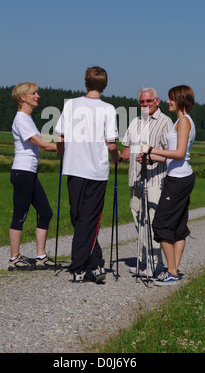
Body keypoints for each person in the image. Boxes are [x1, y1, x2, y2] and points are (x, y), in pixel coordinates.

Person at [55, 66, 119, 283]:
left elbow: (60, 137)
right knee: (83, 219)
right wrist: (116, 157)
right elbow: (111, 144)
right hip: (91, 170)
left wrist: (61, 153)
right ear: (105, 84)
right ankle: (96, 262)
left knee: (82, 217)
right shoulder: (105, 109)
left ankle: (78, 267)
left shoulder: (72, 105)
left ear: (85, 82)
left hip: (80, 169)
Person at [141, 85, 196, 286]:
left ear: (180, 100)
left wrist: (152, 149)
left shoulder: (183, 122)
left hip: (178, 180)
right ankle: (173, 272)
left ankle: (171, 272)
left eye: (171, 98)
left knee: (161, 224)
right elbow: (176, 156)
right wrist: (151, 157)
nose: (168, 101)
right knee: (179, 226)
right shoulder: (181, 121)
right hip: (181, 176)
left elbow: (180, 153)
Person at [120, 87, 173, 276]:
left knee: (152, 221)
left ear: (157, 101)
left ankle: (154, 264)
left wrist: (151, 158)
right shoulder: (135, 122)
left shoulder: (165, 123)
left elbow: (172, 155)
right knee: (139, 220)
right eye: (142, 102)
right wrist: (115, 155)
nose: (145, 105)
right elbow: (126, 150)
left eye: (148, 101)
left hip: (154, 181)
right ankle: (143, 261)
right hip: (135, 180)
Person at [8, 82, 58, 271]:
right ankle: (14, 259)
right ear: (23, 98)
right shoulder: (21, 119)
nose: (38, 96)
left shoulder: (28, 119)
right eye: (33, 93)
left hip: (29, 172)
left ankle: (41, 256)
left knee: (45, 212)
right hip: (22, 172)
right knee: (20, 215)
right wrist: (67, 146)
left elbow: (43, 144)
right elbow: (42, 145)